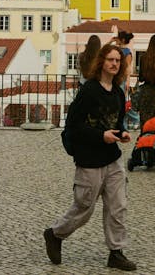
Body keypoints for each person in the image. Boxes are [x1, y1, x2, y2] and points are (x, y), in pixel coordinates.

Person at [43, 44, 137, 271]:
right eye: (110, 60)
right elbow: (73, 126)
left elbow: (116, 122)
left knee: (118, 206)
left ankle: (116, 252)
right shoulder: (88, 91)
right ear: (101, 62)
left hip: (112, 158)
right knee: (84, 208)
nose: (114, 64)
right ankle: (55, 234)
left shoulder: (117, 92)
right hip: (90, 158)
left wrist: (120, 133)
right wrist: (100, 136)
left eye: (118, 61)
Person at [117, 31, 139, 130]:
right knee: (120, 104)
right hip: (117, 79)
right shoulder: (117, 50)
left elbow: (128, 68)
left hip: (122, 80)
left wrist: (128, 81)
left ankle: (136, 119)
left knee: (122, 104)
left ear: (121, 40)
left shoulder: (126, 52)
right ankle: (124, 125)